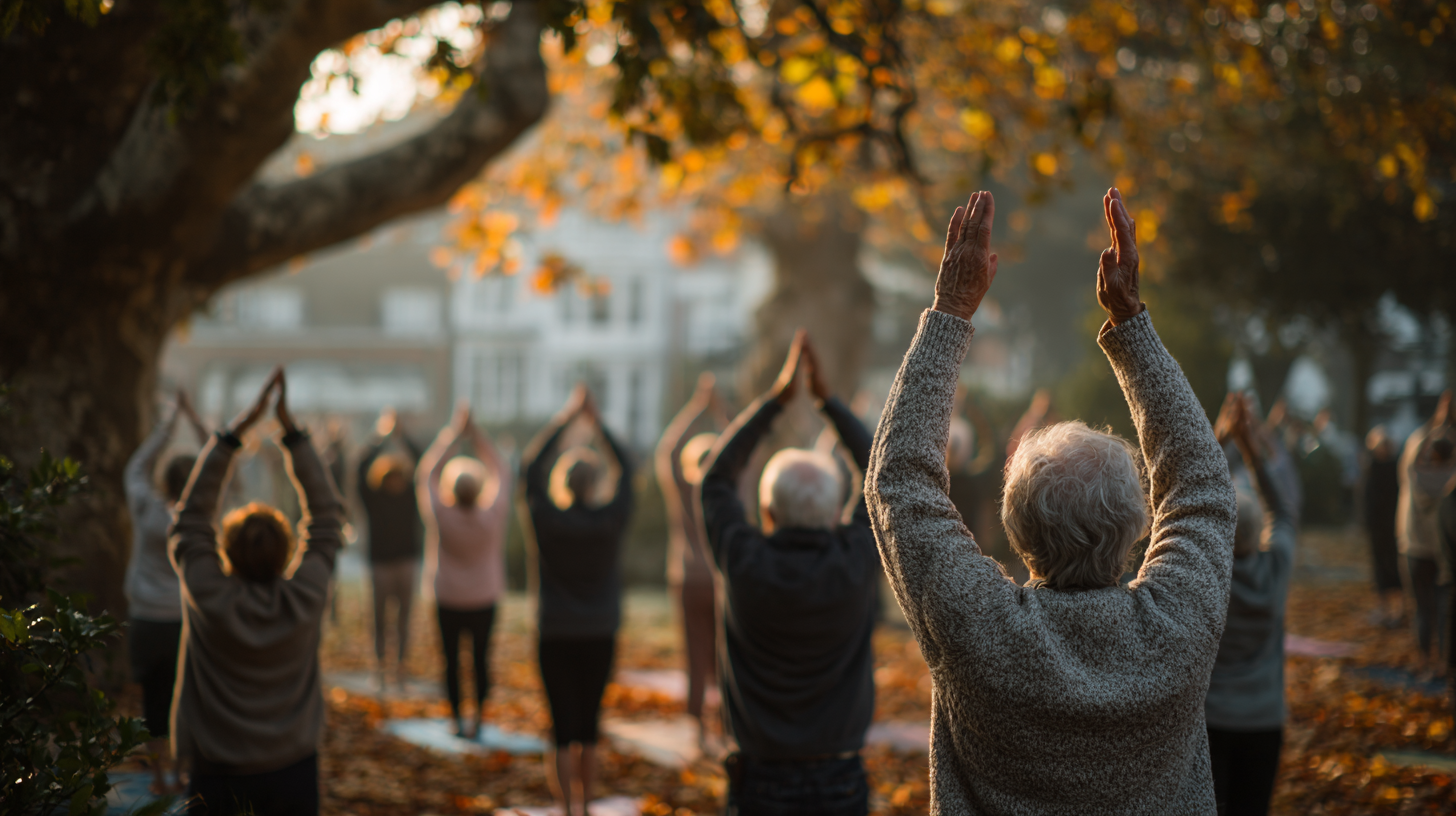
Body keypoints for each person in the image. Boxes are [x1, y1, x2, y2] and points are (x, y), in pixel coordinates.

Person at [867, 189, 1237, 813]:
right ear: (1136, 525)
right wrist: (1132, 324)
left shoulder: (981, 630)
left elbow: (899, 484)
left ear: (1017, 526)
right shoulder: (1179, 628)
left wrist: (950, 311)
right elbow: (1200, 485)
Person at [700, 332, 880, 816]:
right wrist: (828, 402)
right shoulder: (857, 559)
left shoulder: (744, 562)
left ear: (767, 512)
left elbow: (715, 479)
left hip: (761, 779)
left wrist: (775, 402)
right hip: (840, 777)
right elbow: (882, 476)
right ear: (836, 511)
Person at [169, 368, 343, 816]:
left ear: (226, 549)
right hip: (293, 770)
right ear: (286, 552)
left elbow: (191, 518)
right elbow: (327, 519)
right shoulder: (304, 597)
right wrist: (293, 433)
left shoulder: (210, 596)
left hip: (217, 772)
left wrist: (234, 433)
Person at [522, 385, 634, 816]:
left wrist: (566, 419)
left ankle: (567, 807)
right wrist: (597, 424)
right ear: (596, 484)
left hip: (554, 630)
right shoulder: (611, 520)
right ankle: (585, 806)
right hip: (599, 630)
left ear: (562, 484)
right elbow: (627, 468)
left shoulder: (547, 520)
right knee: (589, 723)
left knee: (561, 725)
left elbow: (531, 469)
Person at [1206, 392, 1299, 816]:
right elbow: (1284, 512)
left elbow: (1180, 505)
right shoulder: (1275, 568)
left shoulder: (1204, 579)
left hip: (1210, 719)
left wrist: (1219, 439)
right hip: (1264, 719)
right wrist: (1251, 449)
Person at [124, 389, 207, 794]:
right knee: (186, 700)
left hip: (144, 621)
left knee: (153, 704)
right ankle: (184, 773)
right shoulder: (196, 518)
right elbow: (221, 468)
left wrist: (168, 422)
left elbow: (137, 466)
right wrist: (195, 420)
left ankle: (158, 778)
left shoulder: (144, 506)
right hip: (183, 623)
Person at [418, 401, 511, 738]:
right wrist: (478, 435)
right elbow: (501, 470)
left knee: (451, 662)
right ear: (480, 488)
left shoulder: (442, 516)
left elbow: (426, 473)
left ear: (451, 490)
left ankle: (457, 719)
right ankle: (481, 718)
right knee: (481, 660)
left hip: (447, 598)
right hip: (484, 598)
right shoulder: (492, 517)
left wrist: (453, 435)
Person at [655, 372, 729, 747]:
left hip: (686, 577)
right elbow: (741, 449)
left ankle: (698, 725)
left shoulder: (682, 488)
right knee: (724, 654)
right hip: (720, 580)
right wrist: (719, 413)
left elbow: (669, 448)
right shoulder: (725, 493)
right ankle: (724, 724)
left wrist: (697, 406)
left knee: (694, 653)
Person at [358, 407, 424, 691]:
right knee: (379, 617)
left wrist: (403, 436)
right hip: (381, 564)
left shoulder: (412, 498)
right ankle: (379, 664)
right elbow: (360, 468)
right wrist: (379, 437)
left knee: (404, 619)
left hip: (406, 562)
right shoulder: (374, 499)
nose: (397, 482)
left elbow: (423, 465)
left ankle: (400, 666)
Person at [1398, 390, 1456, 676]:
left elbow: (1415, 448)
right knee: (1445, 608)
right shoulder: (1450, 477)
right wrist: (1447, 425)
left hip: (1414, 544)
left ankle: (1423, 660)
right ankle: (1445, 663)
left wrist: (1437, 421)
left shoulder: (1415, 471)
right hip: (1443, 550)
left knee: (1422, 607)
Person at [1365, 426, 1405, 628]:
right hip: (1378, 527)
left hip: (1395, 526)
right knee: (1380, 568)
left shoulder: (1397, 467)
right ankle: (1383, 608)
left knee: (1397, 567)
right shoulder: (1371, 467)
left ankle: (1400, 610)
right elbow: (1367, 498)